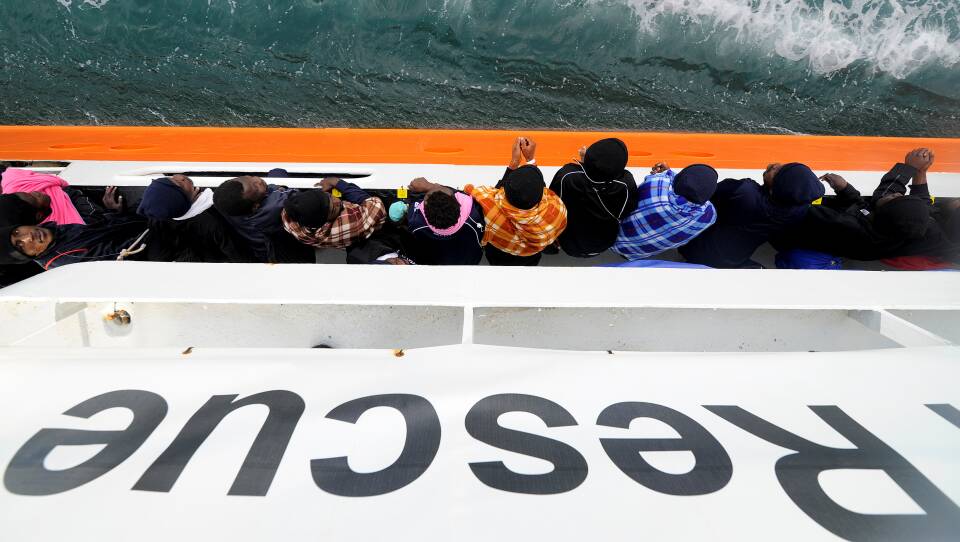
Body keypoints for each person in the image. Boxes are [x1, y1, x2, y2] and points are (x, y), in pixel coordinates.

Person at [773, 148, 958, 263]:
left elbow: (792, 210)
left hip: (794, 233)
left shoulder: (844, 225)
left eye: (895, 197)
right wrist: (846, 190)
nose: (896, 193)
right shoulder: (911, 227)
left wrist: (782, 178)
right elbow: (921, 205)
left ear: (880, 212)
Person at [678, 162, 825, 268]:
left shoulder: (743, 192)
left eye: (779, 173)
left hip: (692, 248)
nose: (776, 165)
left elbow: (700, 195)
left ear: (775, 190)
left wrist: (674, 177)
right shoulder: (796, 212)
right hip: (733, 260)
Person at [465, 137, 567, 266]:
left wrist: (514, 163)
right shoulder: (558, 210)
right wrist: (531, 160)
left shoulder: (490, 211)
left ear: (505, 190)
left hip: (498, 255)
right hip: (531, 258)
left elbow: (487, 197)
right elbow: (543, 192)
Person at [549, 138, 639, 257]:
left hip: (568, 243)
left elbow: (551, 202)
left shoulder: (567, 176)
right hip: (603, 244)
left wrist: (586, 163)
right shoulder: (626, 184)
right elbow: (627, 210)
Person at [137, 174, 254, 262]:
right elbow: (240, 257)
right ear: (184, 202)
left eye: (170, 178)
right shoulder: (214, 221)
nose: (180, 177)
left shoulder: (158, 217)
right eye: (180, 185)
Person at [613, 162, 718, 260]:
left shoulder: (656, 183)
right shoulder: (709, 216)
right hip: (637, 254)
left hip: (612, 240)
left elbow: (662, 181)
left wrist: (667, 172)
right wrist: (669, 173)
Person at [213, 169, 312, 263]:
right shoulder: (275, 207)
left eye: (249, 176)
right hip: (281, 254)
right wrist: (280, 188)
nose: (258, 179)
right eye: (256, 187)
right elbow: (296, 196)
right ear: (255, 206)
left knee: (277, 172)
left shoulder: (225, 204)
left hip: (256, 239)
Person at [0, 213, 155, 270]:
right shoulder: (66, 259)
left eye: (17, 232)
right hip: (162, 241)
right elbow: (131, 252)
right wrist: (159, 222)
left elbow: (104, 224)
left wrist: (118, 212)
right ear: (27, 256)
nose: (28, 237)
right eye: (20, 245)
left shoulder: (55, 234)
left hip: (146, 223)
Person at [281, 176, 386, 250]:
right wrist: (335, 182)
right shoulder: (347, 224)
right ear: (326, 222)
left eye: (330, 197)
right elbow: (376, 205)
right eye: (334, 209)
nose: (337, 200)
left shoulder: (290, 217)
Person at [405, 177, 485, 265]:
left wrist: (429, 187)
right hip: (471, 261)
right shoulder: (475, 216)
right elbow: (459, 193)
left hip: (438, 262)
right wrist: (430, 186)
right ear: (458, 204)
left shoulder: (416, 223)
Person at [1, 167, 83, 225]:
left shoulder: (12, 181)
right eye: (35, 198)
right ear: (39, 215)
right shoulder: (71, 224)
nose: (36, 192)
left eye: (28, 193)